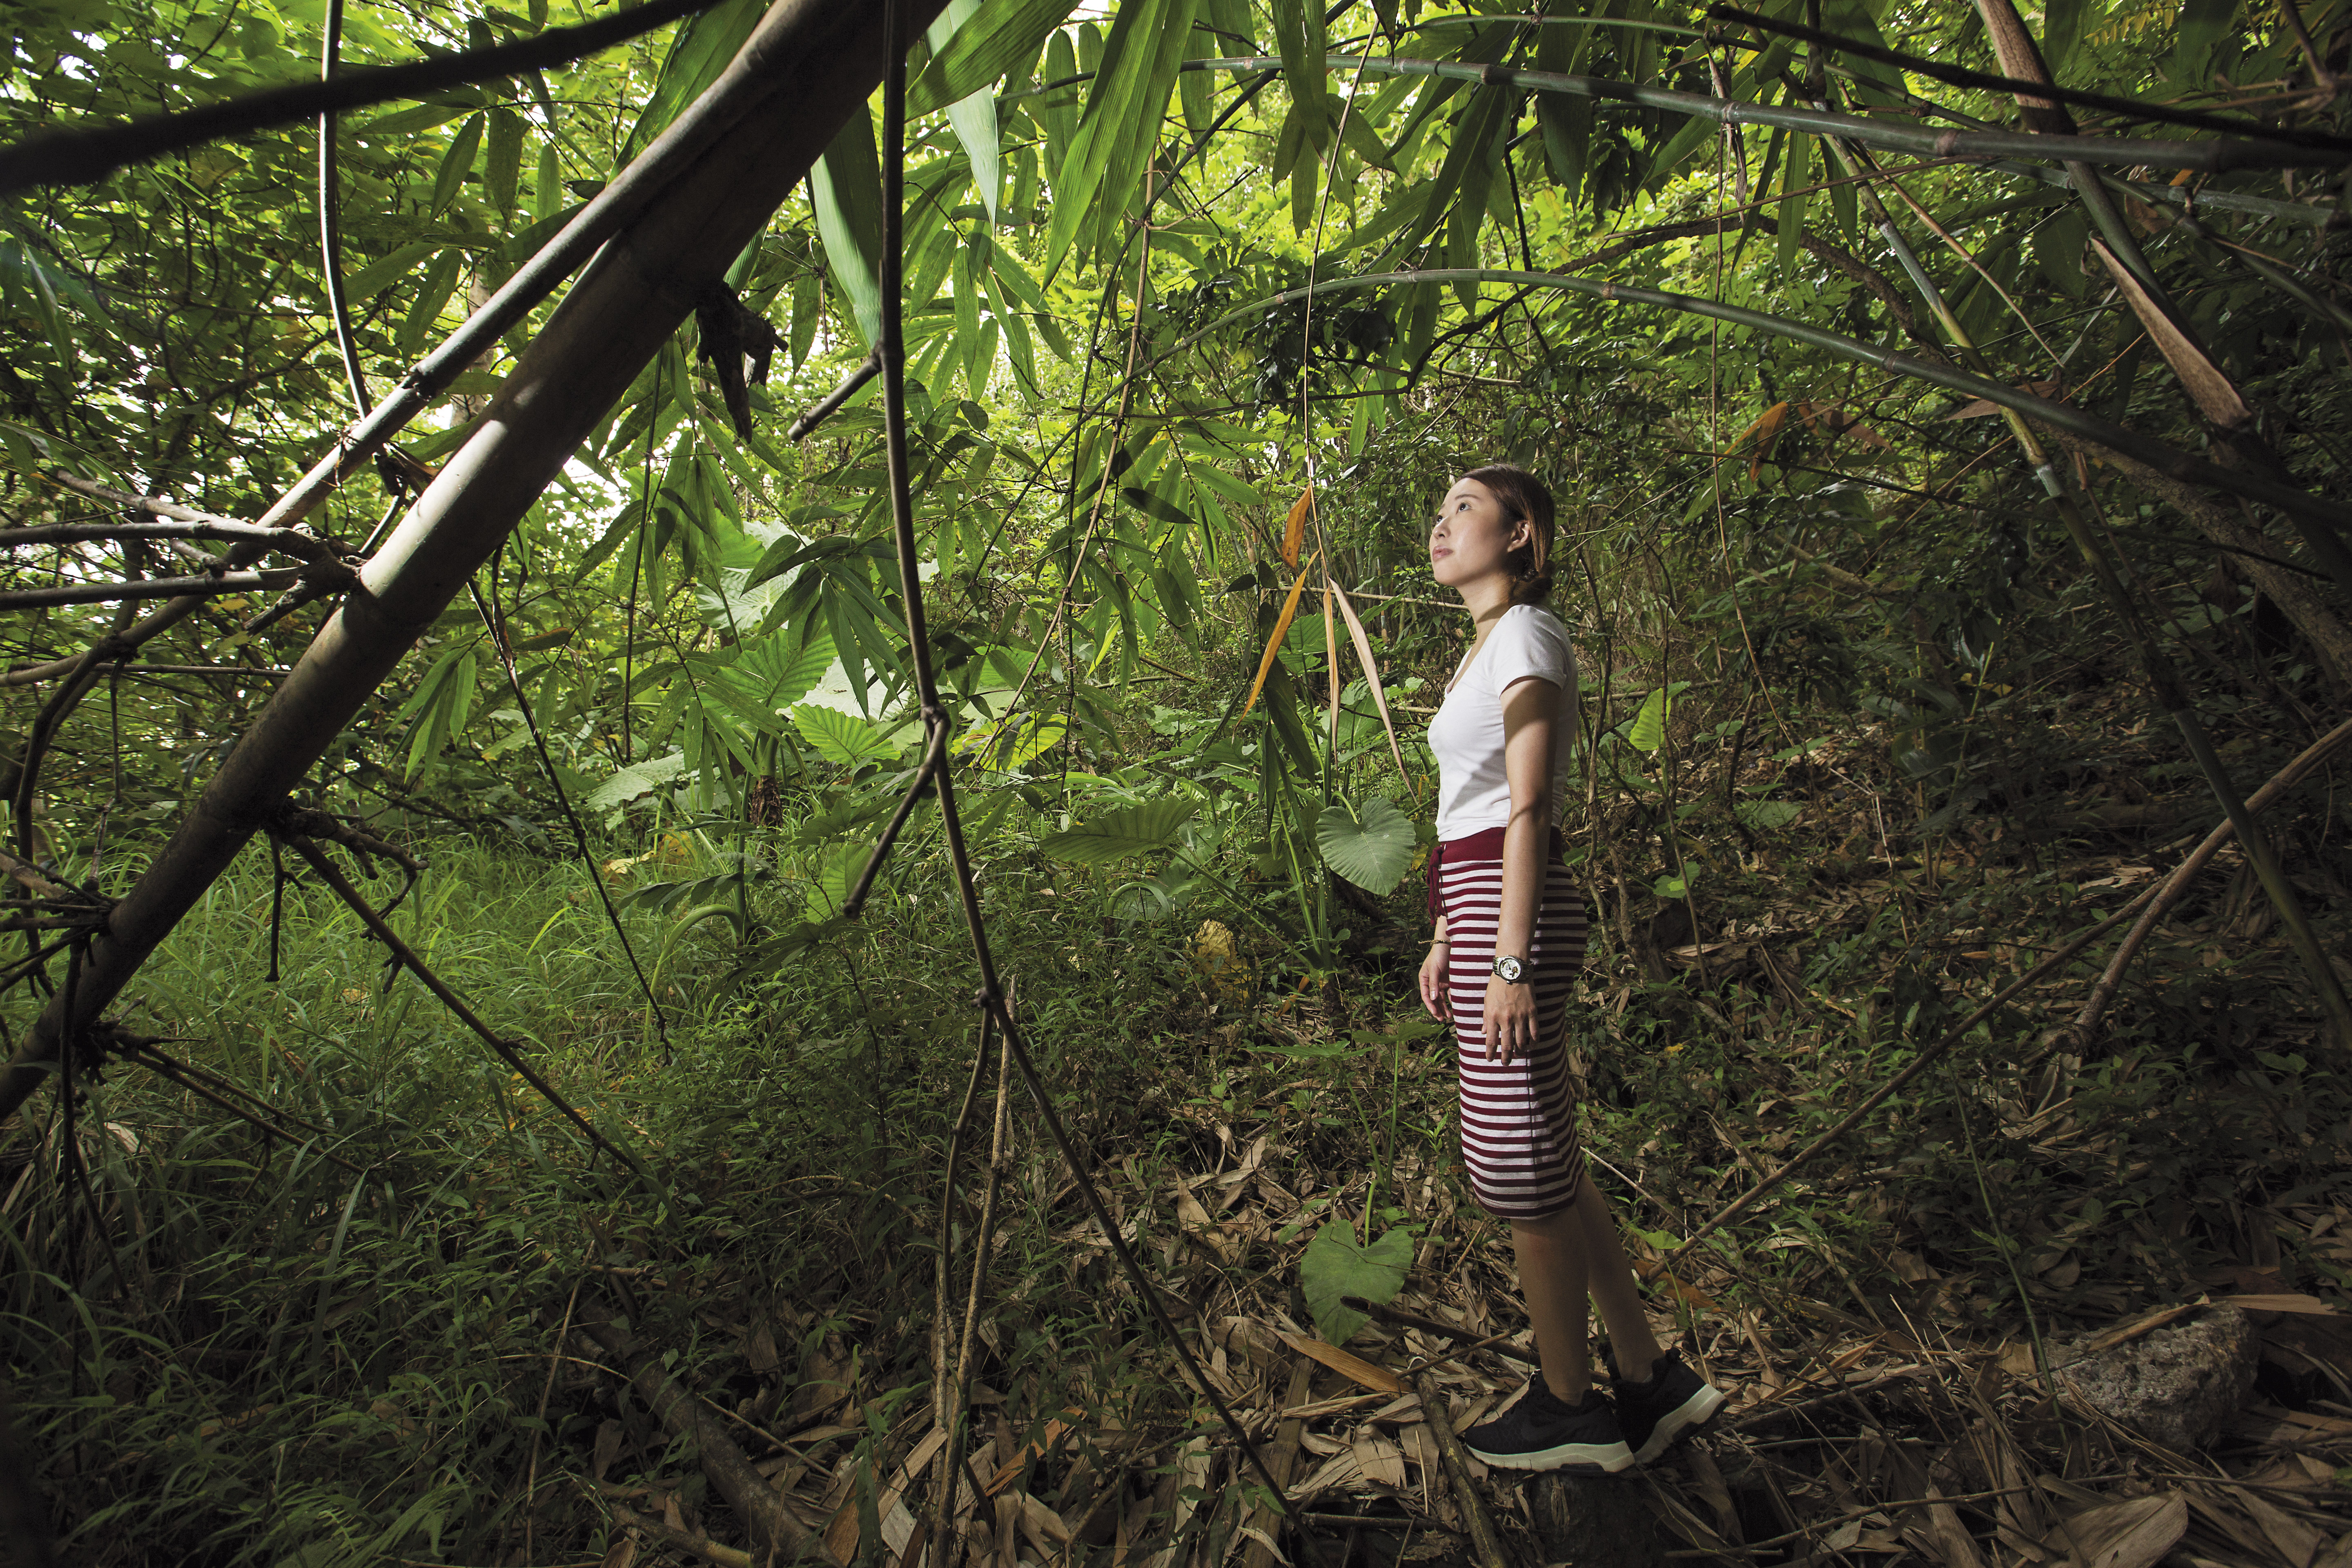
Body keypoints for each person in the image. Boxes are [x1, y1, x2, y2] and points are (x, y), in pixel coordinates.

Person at [1416, 465, 1724, 1474]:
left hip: (1521, 903)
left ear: (1521, 534)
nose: (1443, 521)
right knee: (1545, 1146)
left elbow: (1528, 810)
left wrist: (1505, 958)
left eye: (1466, 505)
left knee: (1512, 1163)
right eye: (1442, 507)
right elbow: (1463, 814)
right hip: (1478, 900)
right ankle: (1649, 1382)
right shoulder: (1480, 652)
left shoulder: (1526, 636)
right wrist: (1444, 933)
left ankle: (1569, 1410)